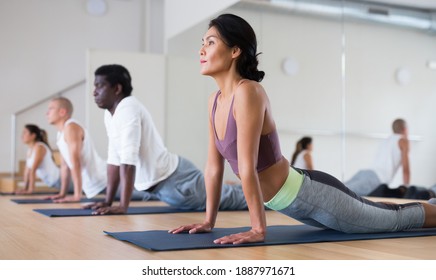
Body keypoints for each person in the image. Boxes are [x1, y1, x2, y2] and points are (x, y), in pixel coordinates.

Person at [169, 14, 436, 245]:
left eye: (210, 42)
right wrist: (208, 221)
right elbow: (213, 167)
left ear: (235, 50)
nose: (202, 50)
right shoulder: (214, 101)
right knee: (380, 211)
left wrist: (258, 229)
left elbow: (248, 166)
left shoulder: (248, 91)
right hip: (291, 204)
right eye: (202, 43)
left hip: (311, 194)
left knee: (393, 219)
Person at [86, 64, 247, 215]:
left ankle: (269, 193)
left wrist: (122, 206)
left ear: (117, 88)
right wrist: (108, 201)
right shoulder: (111, 114)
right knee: (231, 193)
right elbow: (115, 159)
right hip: (169, 186)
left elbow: (128, 159)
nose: (94, 92)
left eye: (99, 86)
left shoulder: (128, 108)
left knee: (238, 198)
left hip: (180, 182)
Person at [45, 97, 107, 202]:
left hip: (104, 181)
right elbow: (65, 166)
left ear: (62, 112)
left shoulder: (71, 127)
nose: (47, 113)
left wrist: (77, 196)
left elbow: (76, 162)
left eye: (51, 109)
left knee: (143, 195)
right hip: (95, 185)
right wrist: (62, 193)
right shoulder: (60, 133)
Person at [345, 118, 410, 196]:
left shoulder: (386, 140)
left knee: (338, 188)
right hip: (375, 179)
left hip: (364, 173)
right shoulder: (403, 141)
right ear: (405, 129)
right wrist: (406, 188)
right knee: (342, 194)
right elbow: (405, 169)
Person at [15, 124, 61, 194]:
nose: (22, 136)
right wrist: (24, 189)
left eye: (25, 133)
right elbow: (27, 170)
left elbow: (33, 169)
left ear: (33, 135)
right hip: (54, 182)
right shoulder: (30, 149)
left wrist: (30, 190)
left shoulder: (40, 147)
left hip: (60, 179)